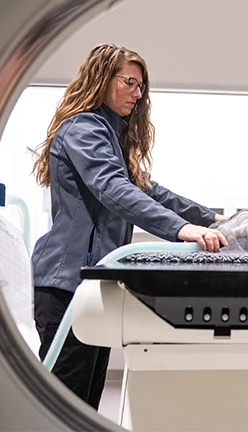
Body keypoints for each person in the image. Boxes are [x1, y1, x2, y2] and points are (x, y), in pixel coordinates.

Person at [30, 43, 227, 409]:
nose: (138, 94)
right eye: (130, 83)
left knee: (86, 402)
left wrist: (215, 220)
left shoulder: (112, 137)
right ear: (102, 79)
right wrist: (181, 230)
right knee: (64, 404)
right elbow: (112, 187)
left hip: (94, 284)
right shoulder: (83, 128)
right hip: (66, 284)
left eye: (142, 86)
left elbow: (151, 191)